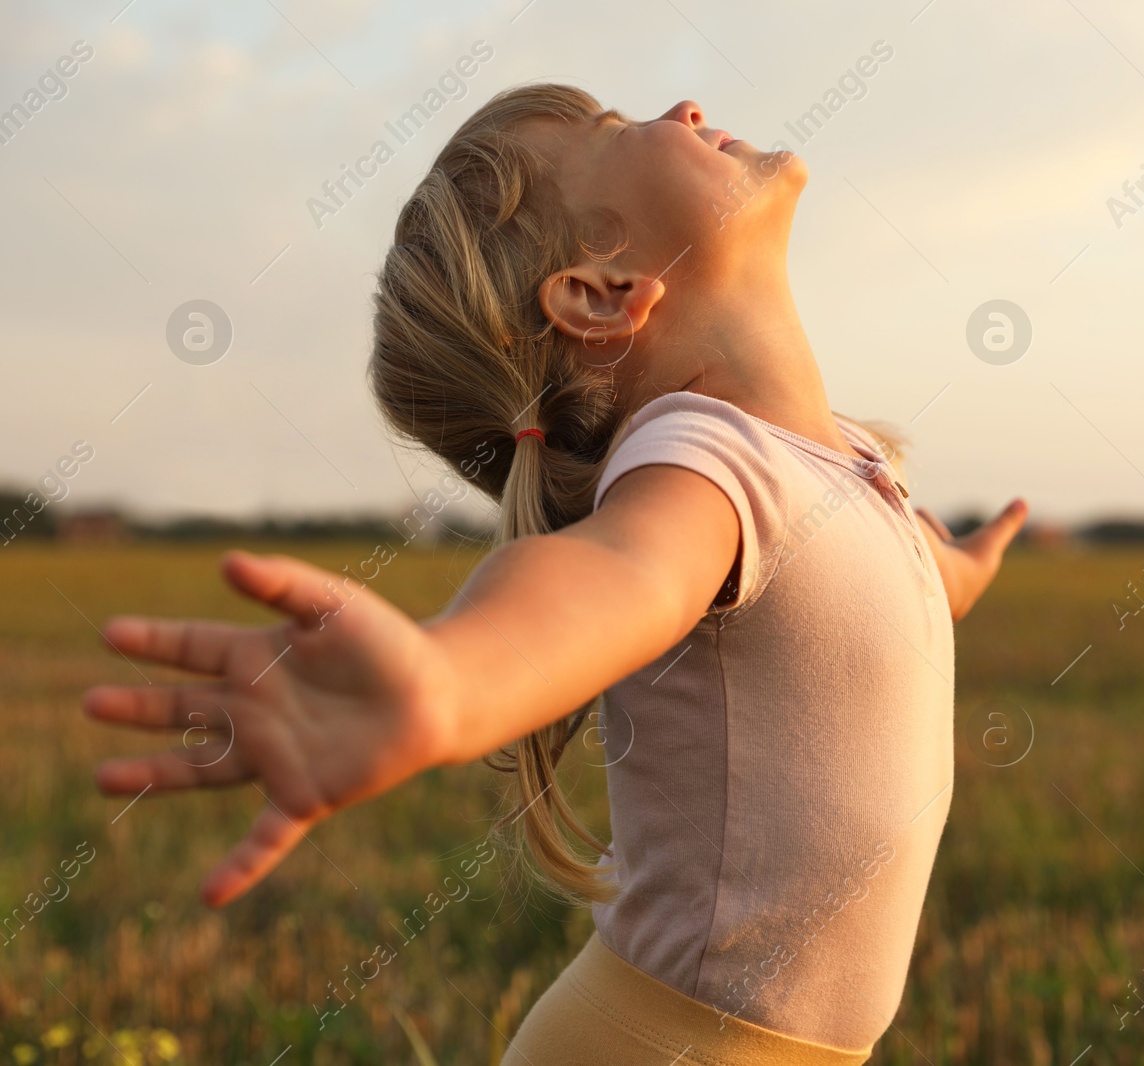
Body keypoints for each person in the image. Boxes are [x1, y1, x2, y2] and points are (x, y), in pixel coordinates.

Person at [83, 83, 1028, 1064]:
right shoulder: (701, 465)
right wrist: (450, 678)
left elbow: (854, 605)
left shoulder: (834, 460)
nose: (685, 105)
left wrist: (940, 573)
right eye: (613, 130)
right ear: (598, 291)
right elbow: (614, 575)